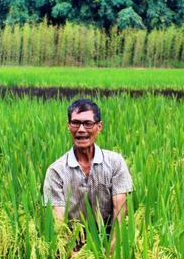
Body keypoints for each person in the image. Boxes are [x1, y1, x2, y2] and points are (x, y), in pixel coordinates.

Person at [43, 99, 133, 250]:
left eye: (88, 123)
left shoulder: (115, 163)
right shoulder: (56, 171)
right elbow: (59, 224)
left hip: (109, 239)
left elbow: (120, 212)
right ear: (68, 126)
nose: (81, 129)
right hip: (72, 244)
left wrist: (111, 253)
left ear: (99, 126)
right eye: (75, 123)